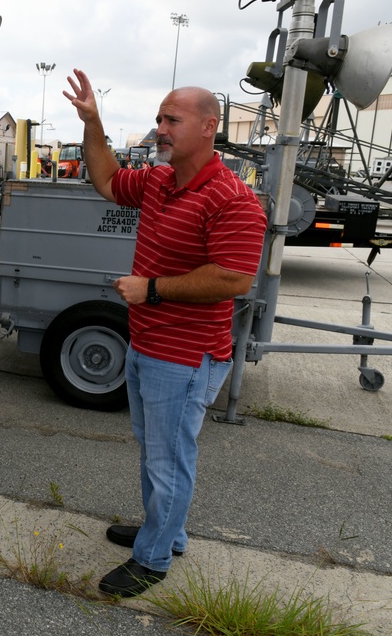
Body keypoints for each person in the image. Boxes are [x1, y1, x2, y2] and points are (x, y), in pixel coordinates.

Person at [62, 69, 267, 598]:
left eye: (172, 119)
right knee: (155, 449)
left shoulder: (233, 199)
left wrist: (151, 289)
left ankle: (152, 559)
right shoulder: (158, 182)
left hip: (186, 354)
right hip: (148, 345)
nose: (160, 129)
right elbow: (106, 180)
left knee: (168, 457)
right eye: (158, 119)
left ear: (208, 126)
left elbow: (234, 278)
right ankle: (165, 531)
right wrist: (93, 123)